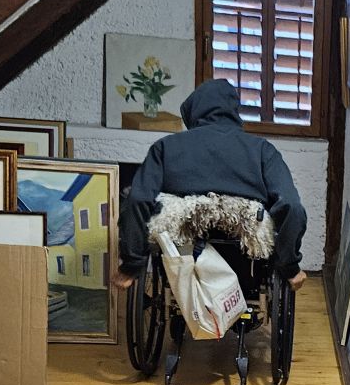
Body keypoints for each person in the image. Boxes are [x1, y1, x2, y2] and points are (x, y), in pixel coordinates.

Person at [114, 79, 307, 291]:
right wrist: (289, 266)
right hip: (246, 266)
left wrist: (132, 264)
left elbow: (138, 199)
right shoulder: (262, 150)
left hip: (180, 260)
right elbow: (291, 206)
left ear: (193, 111)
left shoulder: (165, 147)